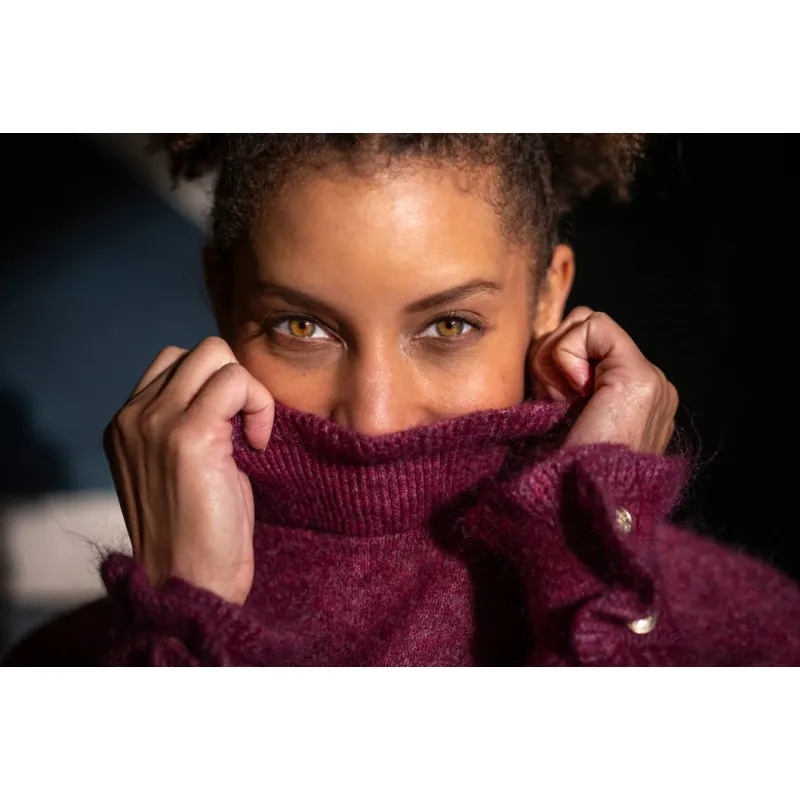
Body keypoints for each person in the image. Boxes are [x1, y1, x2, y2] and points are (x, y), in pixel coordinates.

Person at [6, 133, 800, 666]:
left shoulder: (754, 638)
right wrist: (187, 618)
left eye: (449, 325)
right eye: (302, 326)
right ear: (221, 291)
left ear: (548, 297)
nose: (375, 417)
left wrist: (594, 557)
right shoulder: (66, 671)